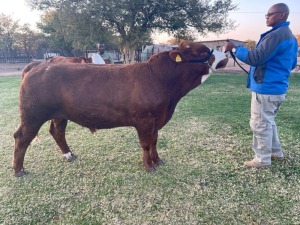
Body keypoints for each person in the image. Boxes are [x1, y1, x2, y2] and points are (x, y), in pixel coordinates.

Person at [224, 3, 298, 168]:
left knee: (259, 123)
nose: (266, 16)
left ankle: (262, 160)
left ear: (282, 15)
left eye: (270, 14)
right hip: (277, 88)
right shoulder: (291, 37)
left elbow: (255, 58)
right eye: (266, 14)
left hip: (266, 89)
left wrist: (235, 49)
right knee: (268, 121)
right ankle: (276, 152)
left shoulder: (276, 35)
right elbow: (292, 63)